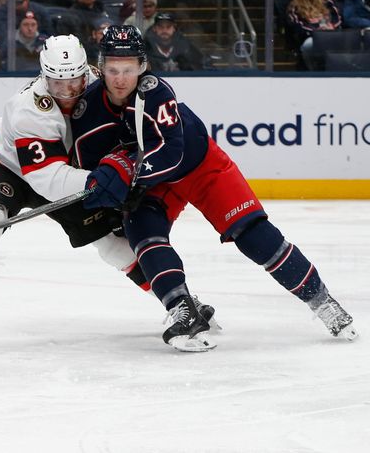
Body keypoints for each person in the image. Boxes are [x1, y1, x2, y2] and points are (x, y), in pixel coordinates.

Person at [0, 34, 216, 347]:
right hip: (8, 171)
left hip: (70, 171)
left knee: (114, 246)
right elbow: (45, 178)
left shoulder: (101, 84)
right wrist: (99, 182)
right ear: (44, 76)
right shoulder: (27, 108)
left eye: (74, 81)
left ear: (88, 71)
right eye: (57, 84)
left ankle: (179, 301)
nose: (67, 92)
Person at [80, 25, 357, 351]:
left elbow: (172, 150)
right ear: (101, 66)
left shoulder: (154, 93)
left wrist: (131, 173)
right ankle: (181, 308)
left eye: (128, 70)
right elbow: (88, 163)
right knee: (142, 233)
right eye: (113, 70)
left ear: (142, 66)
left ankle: (321, 299)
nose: (120, 79)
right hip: (153, 184)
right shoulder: (90, 108)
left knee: (254, 235)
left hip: (201, 168)